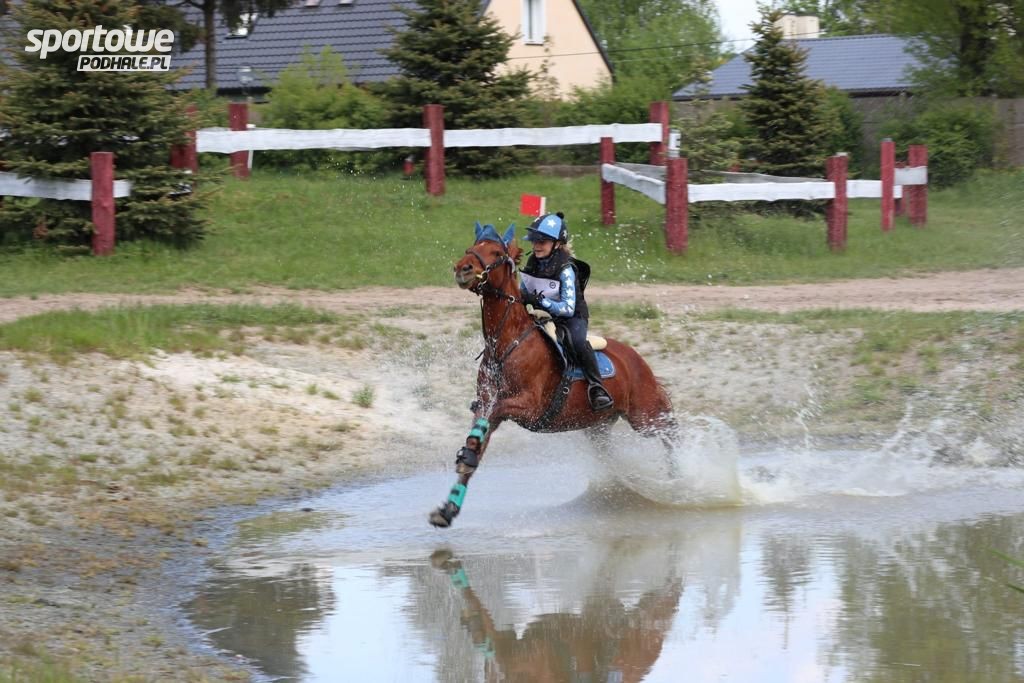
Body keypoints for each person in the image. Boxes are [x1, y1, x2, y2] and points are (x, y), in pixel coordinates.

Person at [519, 212, 614, 412]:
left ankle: (597, 388)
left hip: (572, 318)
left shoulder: (566, 269)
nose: (536, 246)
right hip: (544, 316)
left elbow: (568, 308)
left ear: (557, 244)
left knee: (577, 342)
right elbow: (524, 290)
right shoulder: (532, 262)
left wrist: (540, 301)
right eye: (534, 241)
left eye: (542, 241)